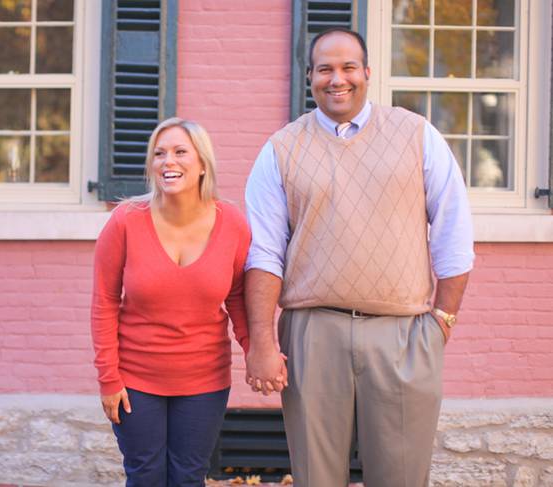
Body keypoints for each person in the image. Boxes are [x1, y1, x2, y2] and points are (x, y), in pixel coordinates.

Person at [243, 28, 474, 487]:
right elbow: (264, 252)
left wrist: (443, 318)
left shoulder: (415, 135)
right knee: (316, 476)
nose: (337, 79)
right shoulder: (281, 150)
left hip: (404, 332)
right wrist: (263, 343)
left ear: (367, 73)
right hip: (312, 332)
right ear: (309, 76)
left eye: (348, 67)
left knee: (402, 476)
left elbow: (454, 231)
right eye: (325, 68)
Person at [90, 117, 251, 486]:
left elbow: (239, 297)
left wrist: (255, 349)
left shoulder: (233, 224)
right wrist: (108, 378)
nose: (168, 161)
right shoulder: (125, 221)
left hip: (204, 381)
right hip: (136, 381)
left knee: (187, 477)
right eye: (159, 154)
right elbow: (104, 302)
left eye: (180, 152)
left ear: (202, 165)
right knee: (145, 475)